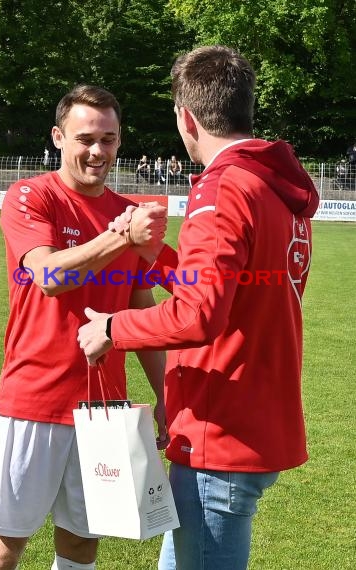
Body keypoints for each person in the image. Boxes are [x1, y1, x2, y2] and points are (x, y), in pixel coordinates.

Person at [77, 45, 320, 570]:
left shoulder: (224, 185)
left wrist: (113, 328)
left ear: (187, 118)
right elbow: (228, 293)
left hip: (222, 429)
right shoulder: (273, 184)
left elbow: (199, 315)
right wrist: (154, 256)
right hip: (250, 419)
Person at [0, 84, 168, 570]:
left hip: (104, 409)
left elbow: (141, 310)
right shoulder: (31, 195)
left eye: (109, 138)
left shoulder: (126, 212)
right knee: (2, 550)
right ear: (59, 137)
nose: (98, 151)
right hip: (33, 400)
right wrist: (121, 234)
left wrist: (168, 396)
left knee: (81, 546)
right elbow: (51, 276)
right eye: (85, 138)